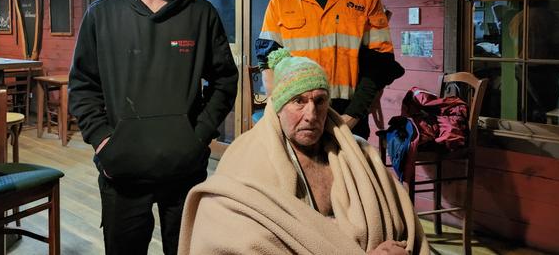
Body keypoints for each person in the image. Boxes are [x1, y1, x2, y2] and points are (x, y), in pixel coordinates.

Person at [68, 0, 238, 255]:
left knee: (188, 250)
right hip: (123, 169)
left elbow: (225, 80)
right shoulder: (101, 16)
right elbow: (83, 86)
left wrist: (198, 136)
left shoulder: (201, 14)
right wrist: (103, 141)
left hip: (183, 167)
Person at [178, 49, 428, 255]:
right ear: (278, 106)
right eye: (299, 101)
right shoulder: (245, 158)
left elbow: (396, 221)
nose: (311, 115)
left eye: (319, 101)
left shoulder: (358, 153)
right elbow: (236, 237)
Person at [255, 0, 404, 140]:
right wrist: (281, 113)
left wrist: (351, 119)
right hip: (296, 117)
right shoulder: (279, 4)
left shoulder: (367, 0)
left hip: (349, 118)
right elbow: (268, 63)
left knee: (349, 177)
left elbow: (379, 65)